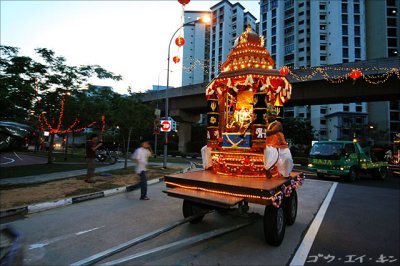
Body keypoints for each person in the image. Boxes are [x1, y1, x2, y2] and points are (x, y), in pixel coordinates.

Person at [264, 104, 293, 178]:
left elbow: (273, 131)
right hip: (271, 145)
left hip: (282, 145)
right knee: (270, 156)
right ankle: (267, 170)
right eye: (270, 116)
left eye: (273, 116)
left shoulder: (278, 124)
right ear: (267, 117)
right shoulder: (267, 125)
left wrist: (261, 131)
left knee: (287, 159)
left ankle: (286, 174)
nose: (271, 117)